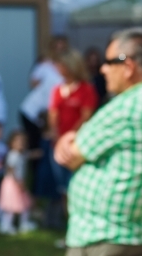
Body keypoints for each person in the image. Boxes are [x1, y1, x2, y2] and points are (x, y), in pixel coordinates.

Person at [55, 29, 142, 256]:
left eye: (109, 61)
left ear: (128, 66)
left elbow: (70, 157)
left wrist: (64, 139)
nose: (103, 68)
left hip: (103, 238)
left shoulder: (124, 108)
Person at [49, 49, 98, 204]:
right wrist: (56, 136)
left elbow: (86, 116)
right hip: (58, 141)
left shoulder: (85, 89)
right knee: (60, 183)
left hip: (75, 142)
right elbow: (52, 114)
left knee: (74, 181)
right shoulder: (58, 89)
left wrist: (69, 137)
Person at [19, 37, 67, 188]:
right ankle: (35, 186)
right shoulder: (46, 66)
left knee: (43, 149)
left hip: (44, 115)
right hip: (32, 112)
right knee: (37, 150)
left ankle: (43, 185)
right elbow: (34, 84)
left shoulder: (63, 69)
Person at [0, 130, 37, 235]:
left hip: (18, 182)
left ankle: (24, 223)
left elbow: (28, 155)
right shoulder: (13, 155)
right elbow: (11, 169)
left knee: (25, 204)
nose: (21, 144)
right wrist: (17, 182)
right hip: (13, 183)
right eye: (18, 141)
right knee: (11, 206)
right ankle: (5, 225)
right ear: (11, 143)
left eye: (23, 142)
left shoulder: (21, 154)